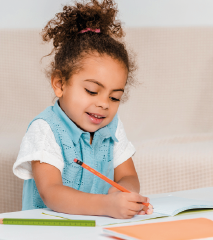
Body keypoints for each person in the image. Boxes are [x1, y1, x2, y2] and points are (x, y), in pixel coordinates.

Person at [13, 0, 153, 219]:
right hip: (45, 237)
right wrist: (107, 205)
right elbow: (52, 193)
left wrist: (122, 192)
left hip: (92, 235)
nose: (104, 104)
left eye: (115, 97)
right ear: (60, 84)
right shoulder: (45, 129)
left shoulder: (113, 127)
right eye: (91, 91)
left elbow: (128, 176)